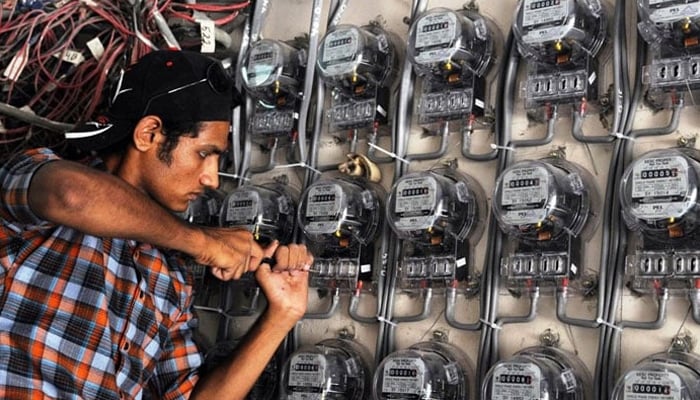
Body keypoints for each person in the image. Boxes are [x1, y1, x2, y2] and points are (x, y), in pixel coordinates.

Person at [0, 50, 313, 399]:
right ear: (149, 134)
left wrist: (283, 314)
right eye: (204, 153)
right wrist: (204, 243)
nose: (212, 178)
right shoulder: (37, 176)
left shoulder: (170, 281)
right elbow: (73, 195)